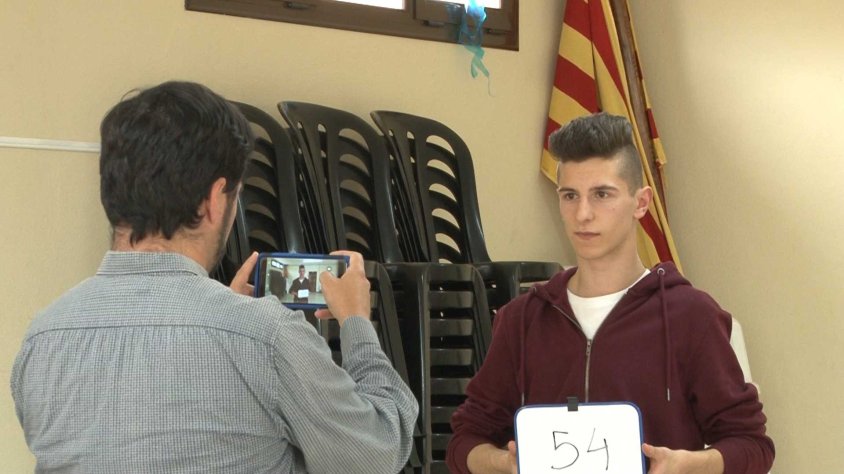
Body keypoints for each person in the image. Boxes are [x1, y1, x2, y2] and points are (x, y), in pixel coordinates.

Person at [10, 81, 418, 473]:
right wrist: (357, 323)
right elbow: (375, 455)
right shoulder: (268, 336)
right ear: (212, 200)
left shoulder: (42, 338)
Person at [446, 113, 774, 474]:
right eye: (570, 195)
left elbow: (752, 446)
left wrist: (690, 465)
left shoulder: (691, 316)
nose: (583, 214)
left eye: (602, 195)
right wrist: (503, 464)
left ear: (641, 202)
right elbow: (465, 441)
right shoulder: (521, 320)